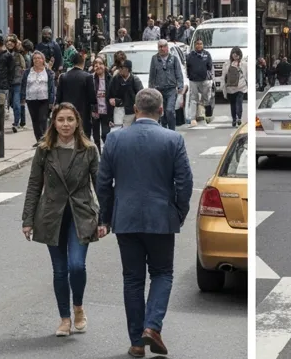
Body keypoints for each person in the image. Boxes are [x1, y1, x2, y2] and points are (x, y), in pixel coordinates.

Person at [96, 89, 194, 357]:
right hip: (161, 217)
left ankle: (137, 342)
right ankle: (152, 326)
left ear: (136, 110)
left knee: (133, 279)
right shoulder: (173, 139)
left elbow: (103, 183)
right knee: (162, 273)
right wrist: (178, 212)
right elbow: (185, 183)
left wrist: (106, 215)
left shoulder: (114, 139)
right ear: (161, 110)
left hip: (125, 218)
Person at [22, 103, 105, 337]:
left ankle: (78, 307)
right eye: (61, 120)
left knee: (77, 266)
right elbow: (34, 185)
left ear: (77, 122)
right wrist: (27, 219)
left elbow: (100, 185)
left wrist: (104, 220)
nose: (66, 124)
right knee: (59, 271)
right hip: (51, 215)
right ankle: (64, 319)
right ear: (54, 123)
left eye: (70, 119)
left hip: (82, 214)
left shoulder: (89, 149)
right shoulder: (44, 150)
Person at [55, 52, 98, 138]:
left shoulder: (63, 77)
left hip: (67, 113)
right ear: (83, 61)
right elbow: (92, 98)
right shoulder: (87, 77)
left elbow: (58, 98)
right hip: (83, 115)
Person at [147, 39, 184, 131]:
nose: (162, 49)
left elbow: (178, 73)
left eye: (164, 46)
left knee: (169, 110)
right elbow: (152, 75)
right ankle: (163, 129)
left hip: (171, 89)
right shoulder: (154, 59)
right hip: (159, 89)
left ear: (167, 47)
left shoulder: (173, 59)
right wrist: (150, 88)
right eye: (160, 47)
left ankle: (172, 130)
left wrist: (180, 86)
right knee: (161, 112)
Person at [23, 51, 56, 142]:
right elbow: (24, 85)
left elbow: (51, 88)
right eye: (35, 58)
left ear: (43, 60)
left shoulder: (48, 72)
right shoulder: (27, 72)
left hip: (44, 99)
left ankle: (45, 139)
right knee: (35, 120)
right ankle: (39, 140)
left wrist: (51, 101)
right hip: (31, 99)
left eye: (39, 58)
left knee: (43, 119)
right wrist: (23, 97)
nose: (36, 60)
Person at [185, 38, 214, 127]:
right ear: (194, 45)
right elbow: (188, 67)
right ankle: (193, 118)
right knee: (194, 99)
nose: (199, 45)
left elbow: (209, 66)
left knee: (206, 98)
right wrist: (190, 76)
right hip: (193, 80)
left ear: (203, 45)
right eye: (197, 44)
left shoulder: (206, 54)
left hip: (204, 80)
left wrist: (209, 77)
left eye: (200, 44)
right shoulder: (190, 55)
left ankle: (207, 116)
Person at [108, 60, 143, 128]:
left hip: (131, 111)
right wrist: (111, 99)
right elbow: (109, 94)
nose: (119, 69)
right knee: (118, 129)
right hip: (118, 110)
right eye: (119, 67)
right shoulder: (115, 79)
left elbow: (141, 96)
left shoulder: (135, 80)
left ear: (127, 69)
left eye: (121, 67)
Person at [91, 58, 113, 151]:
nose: (98, 66)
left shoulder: (110, 78)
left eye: (100, 63)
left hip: (106, 110)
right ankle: (97, 155)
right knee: (96, 135)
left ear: (105, 66)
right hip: (95, 110)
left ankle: (107, 153)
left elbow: (114, 94)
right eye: (96, 64)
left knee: (105, 134)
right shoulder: (91, 78)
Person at [223, 47, 247, 127]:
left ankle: (236, 119)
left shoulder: (227, 64)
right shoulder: (243, 64)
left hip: (238, 87)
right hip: (235, 87)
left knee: (235, 103)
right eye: (234, 54)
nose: (235, 56)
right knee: (236, 103)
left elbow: (224, 77)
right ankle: (236, 118)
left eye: (236, 54)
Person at [7, 35, 26, 134]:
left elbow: (24, 69)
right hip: (6, 83)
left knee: (16, 103)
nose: (9, 43)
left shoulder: (19, 56)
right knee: (11, 103)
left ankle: (16, 123)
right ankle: (19, 117)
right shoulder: (4, 54)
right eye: (8, 41)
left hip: (17, 82)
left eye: (11, 41)